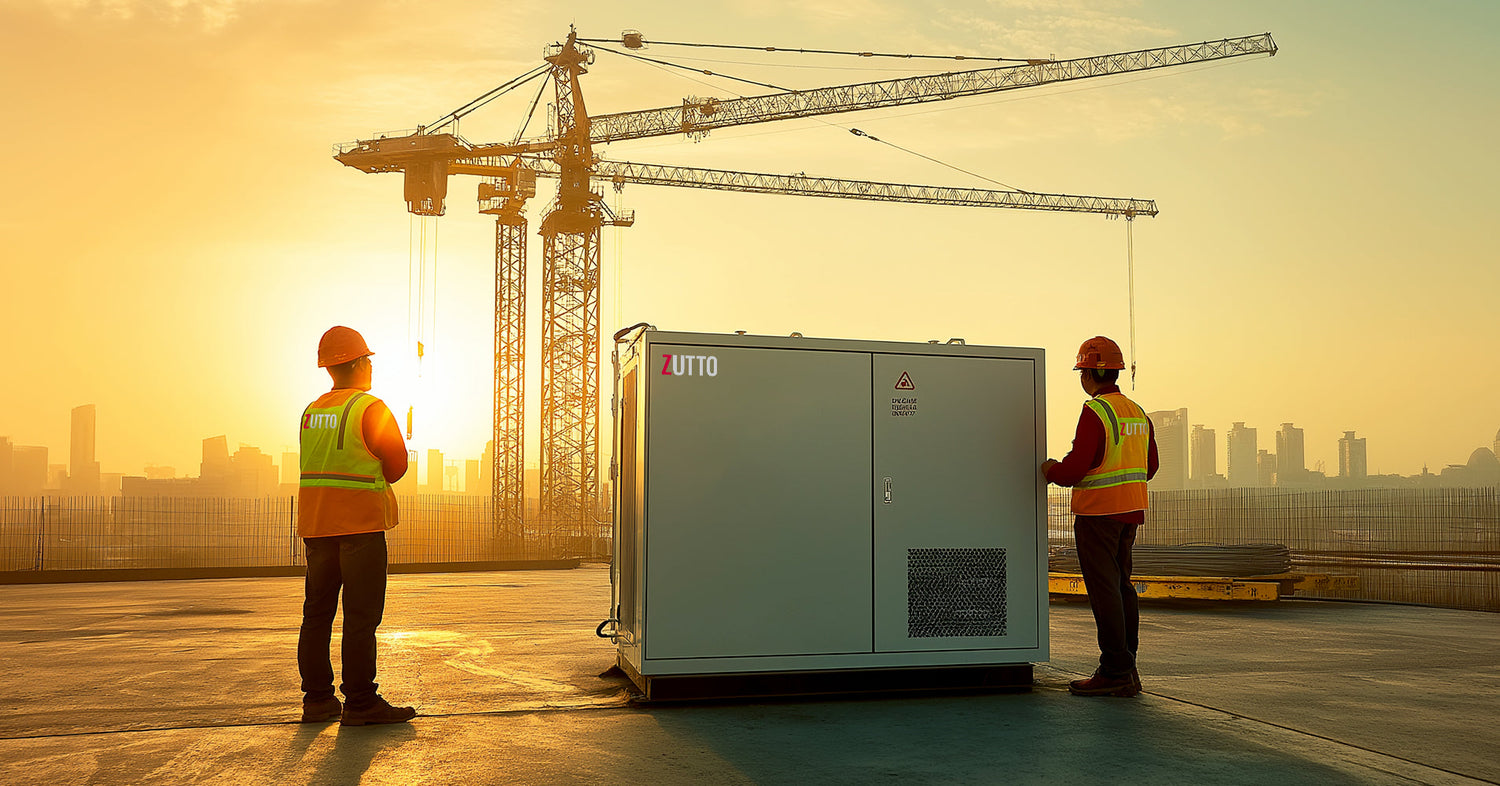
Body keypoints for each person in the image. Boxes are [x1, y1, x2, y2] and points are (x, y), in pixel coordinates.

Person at [296, 326, 417, 725]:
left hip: (318, 529)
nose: (370, 366)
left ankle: (316, 700)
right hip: (360, 529)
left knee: (317, 615)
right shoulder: (370, 409)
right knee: (360, 618)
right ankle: (361, 702)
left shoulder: (312, 412)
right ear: (359, 363)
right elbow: (396, 467)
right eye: (368, 360)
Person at [1040, 336, 1159, 698]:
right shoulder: (1137, 412)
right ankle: (1127, 668)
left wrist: (1049, 469)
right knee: (1122, 588)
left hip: (1098, 514)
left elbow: (1076, 468)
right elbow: (1150, 467)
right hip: (1130, 513)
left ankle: (1115, 671)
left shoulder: (1096, 412)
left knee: (1105, 591)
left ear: (1088, 373)